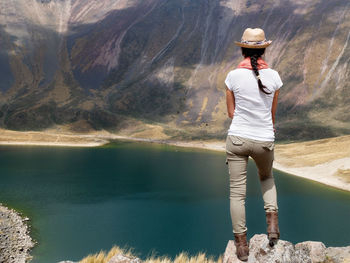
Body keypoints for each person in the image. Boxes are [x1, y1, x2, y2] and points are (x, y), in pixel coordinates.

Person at [224, 28, 282, 261]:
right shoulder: (275, 77)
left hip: (237, 138)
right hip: (264, 139)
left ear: (242, 49)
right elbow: (272, 115)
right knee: (266, 178)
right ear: (264, 49)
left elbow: (231, 113)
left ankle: (241, 247)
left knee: (237, 194)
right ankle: (273, 229)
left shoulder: (232, 76)